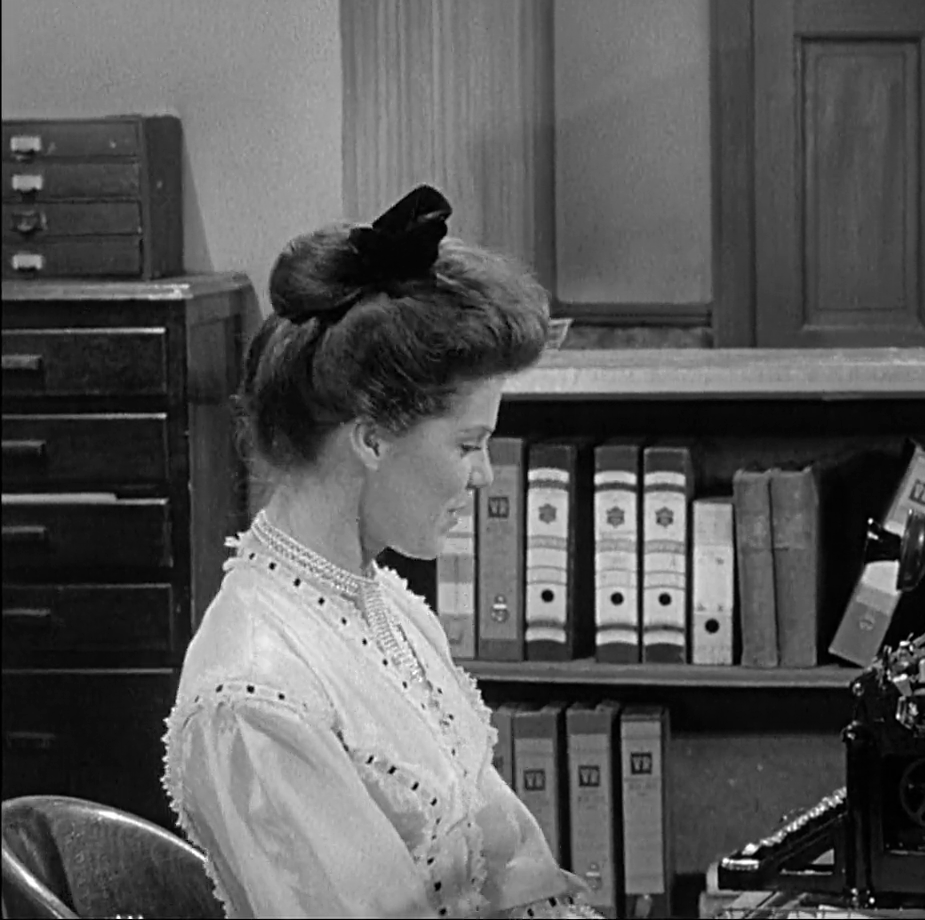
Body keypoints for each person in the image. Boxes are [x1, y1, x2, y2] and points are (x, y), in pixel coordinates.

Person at [162, 187, 603, 918]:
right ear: (371, 438)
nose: (486, 476)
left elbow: (516, 871)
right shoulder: (254, 695)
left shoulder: (389, 608)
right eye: (468, 445)